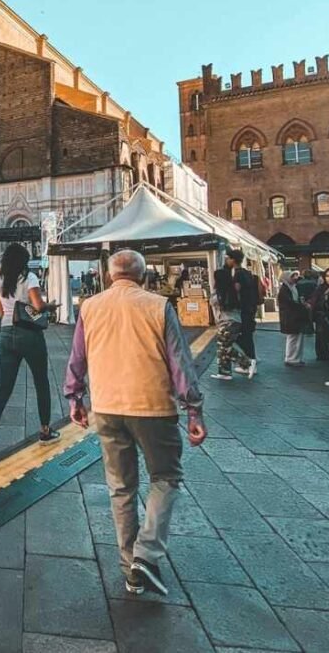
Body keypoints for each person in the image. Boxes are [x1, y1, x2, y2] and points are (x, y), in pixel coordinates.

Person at [65, 249, 207, 597]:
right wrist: (194, 410)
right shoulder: (158, 306)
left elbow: (77, 358)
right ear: (144, 275)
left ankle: (131, 569)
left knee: (121, 488)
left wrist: (75, 399)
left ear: (109, 275)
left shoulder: (90, 306)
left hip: (107, 408)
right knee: (166, 478)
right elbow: (180, 363)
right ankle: (146, 553)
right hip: (153, 408)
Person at [0, 244, 59, 465]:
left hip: (6, 336)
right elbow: (37, 305)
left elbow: (2, 312)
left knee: (3, 389)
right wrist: (50, 307)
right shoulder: (29, 277)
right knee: (41, 382)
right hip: (29, 335)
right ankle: (44, 430)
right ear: (23, 260)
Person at [210, 252, 254, 381]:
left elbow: (215, 302)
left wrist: (214, 292)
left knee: (224, 347)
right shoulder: (231, 290)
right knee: (223, 347)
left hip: (228, 322)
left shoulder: (222, 293)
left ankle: (246, 363)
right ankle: (225, 372)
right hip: (233, 320)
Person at [277, 270, 308, 367]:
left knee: (296, 337)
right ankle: (291, 359)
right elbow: (289, 303)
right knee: (293, 338)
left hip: (293, 316)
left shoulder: (291, 288)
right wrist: (302, 306)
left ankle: (295, 358)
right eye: (292, 276)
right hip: (290, 317)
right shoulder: (285, 289)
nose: (295, 278)